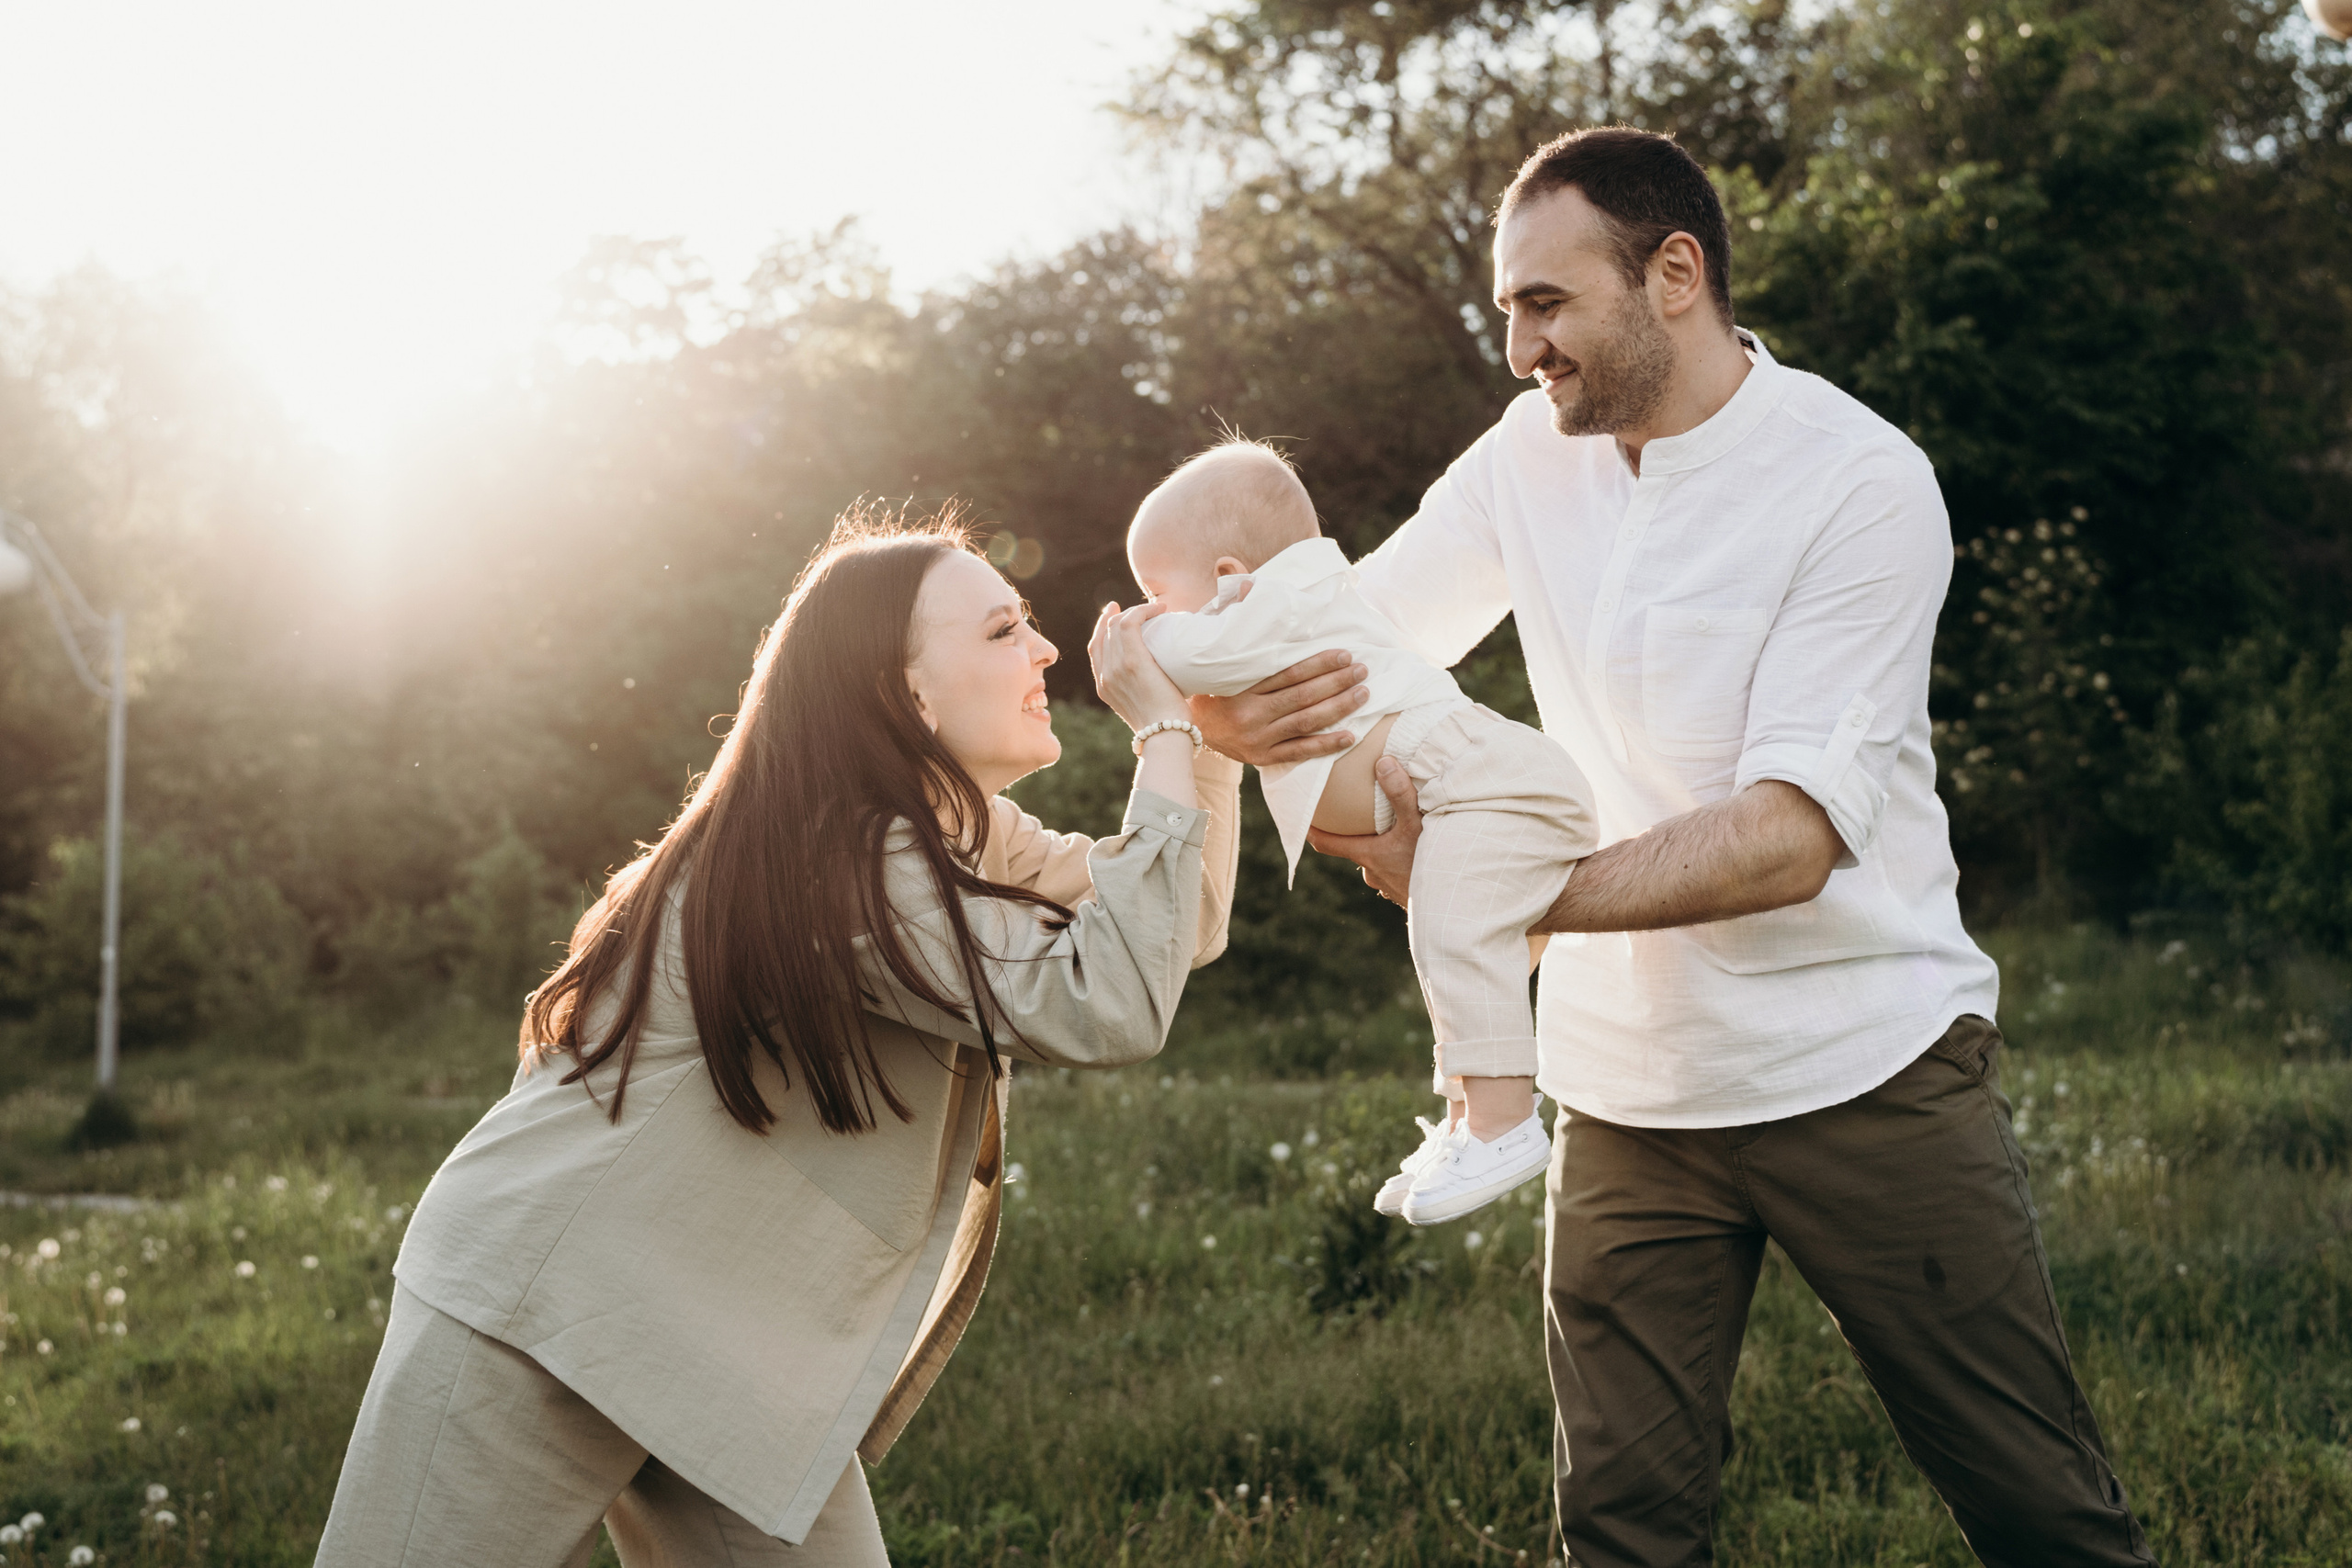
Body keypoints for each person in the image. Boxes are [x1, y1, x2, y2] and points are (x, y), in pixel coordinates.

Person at [1193, 128, 2157, 1566]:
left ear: (1677, 274)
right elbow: (1358, 648)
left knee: (2036, 1505)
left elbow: (1787, 840)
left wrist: (1495, 888)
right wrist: (1220, 688)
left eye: (1545, 304)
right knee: (1622, 1528)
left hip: (1865, 1064)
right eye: (1507, 310)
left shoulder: (1861, 481)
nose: (1518, 347)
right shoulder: (1531, 454)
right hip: (1628, 1091)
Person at [313, 510, 1241, 1567]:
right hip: (547, 1305)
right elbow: (1105, 1003)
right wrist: (1162, 733)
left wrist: (1202, 734)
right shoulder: (840, 858)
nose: (1043, 651)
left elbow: (1170, 929)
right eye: (1001, 631)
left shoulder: (952, 832)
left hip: (716, 1345)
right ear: (904, 694)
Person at [1127, 436, 1600, 1224]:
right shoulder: (1294, 607)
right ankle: (1465, 1123)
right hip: (1466, 782)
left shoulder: (1267, 606)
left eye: (1152, 589)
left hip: (1477, 774)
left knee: (1449, 932)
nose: (1148, 607)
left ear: (1226, 575)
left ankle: (1505, 1124)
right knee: (1447, 946)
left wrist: (1132, 642)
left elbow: (1189, 655)